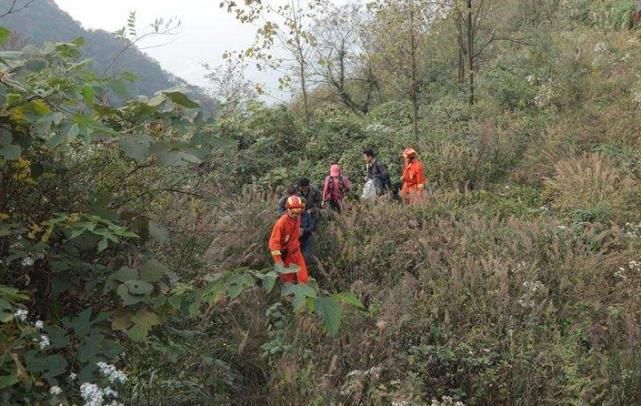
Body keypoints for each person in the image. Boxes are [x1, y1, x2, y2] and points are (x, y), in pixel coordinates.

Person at [269, 195, 309, 284]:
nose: (295, 215)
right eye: (293, 212)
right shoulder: (281, 223)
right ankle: (287, 297)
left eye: (298, 212)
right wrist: (279, 261)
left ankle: (305, 296)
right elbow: (273, 243)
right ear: (288, 209)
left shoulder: (297, 218)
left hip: (296, 251)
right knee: (287, 281)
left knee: (304, 278)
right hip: (286, 254)